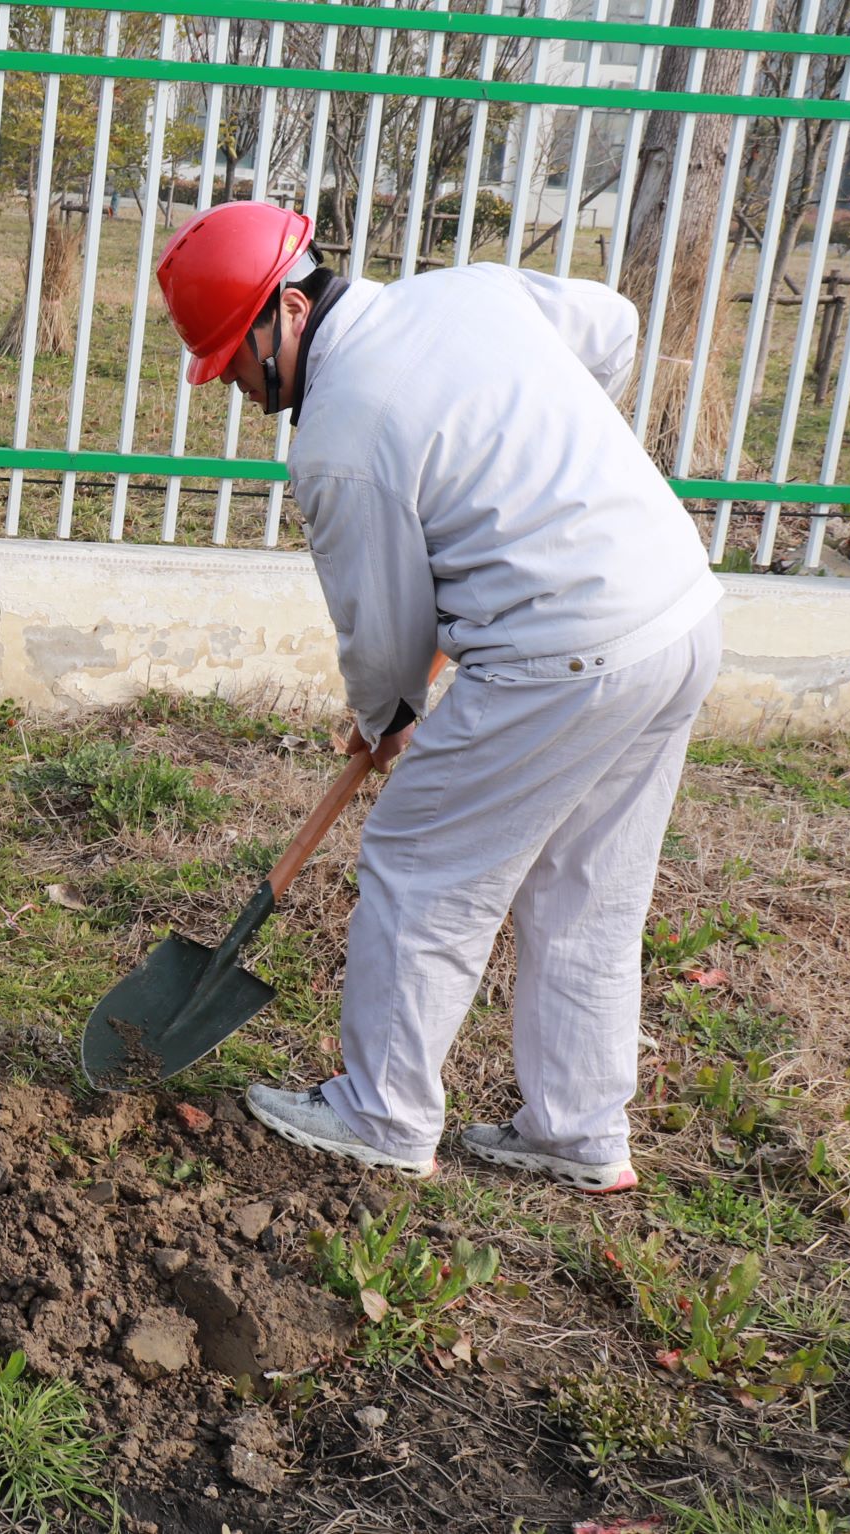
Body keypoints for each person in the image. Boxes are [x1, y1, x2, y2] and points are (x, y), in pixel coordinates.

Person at [154, 201, 722, 1194]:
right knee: (590, 884)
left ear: (288, 309)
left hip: (560, 648)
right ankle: (579, 1131)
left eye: (235, 363)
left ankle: (383, 1112)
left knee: (421, 864)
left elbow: (381, 637)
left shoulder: (339, 432)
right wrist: (549, 461)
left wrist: (386, 720)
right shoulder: (470, 291)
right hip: (677, 611)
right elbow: (616, 327)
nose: (237, 389)